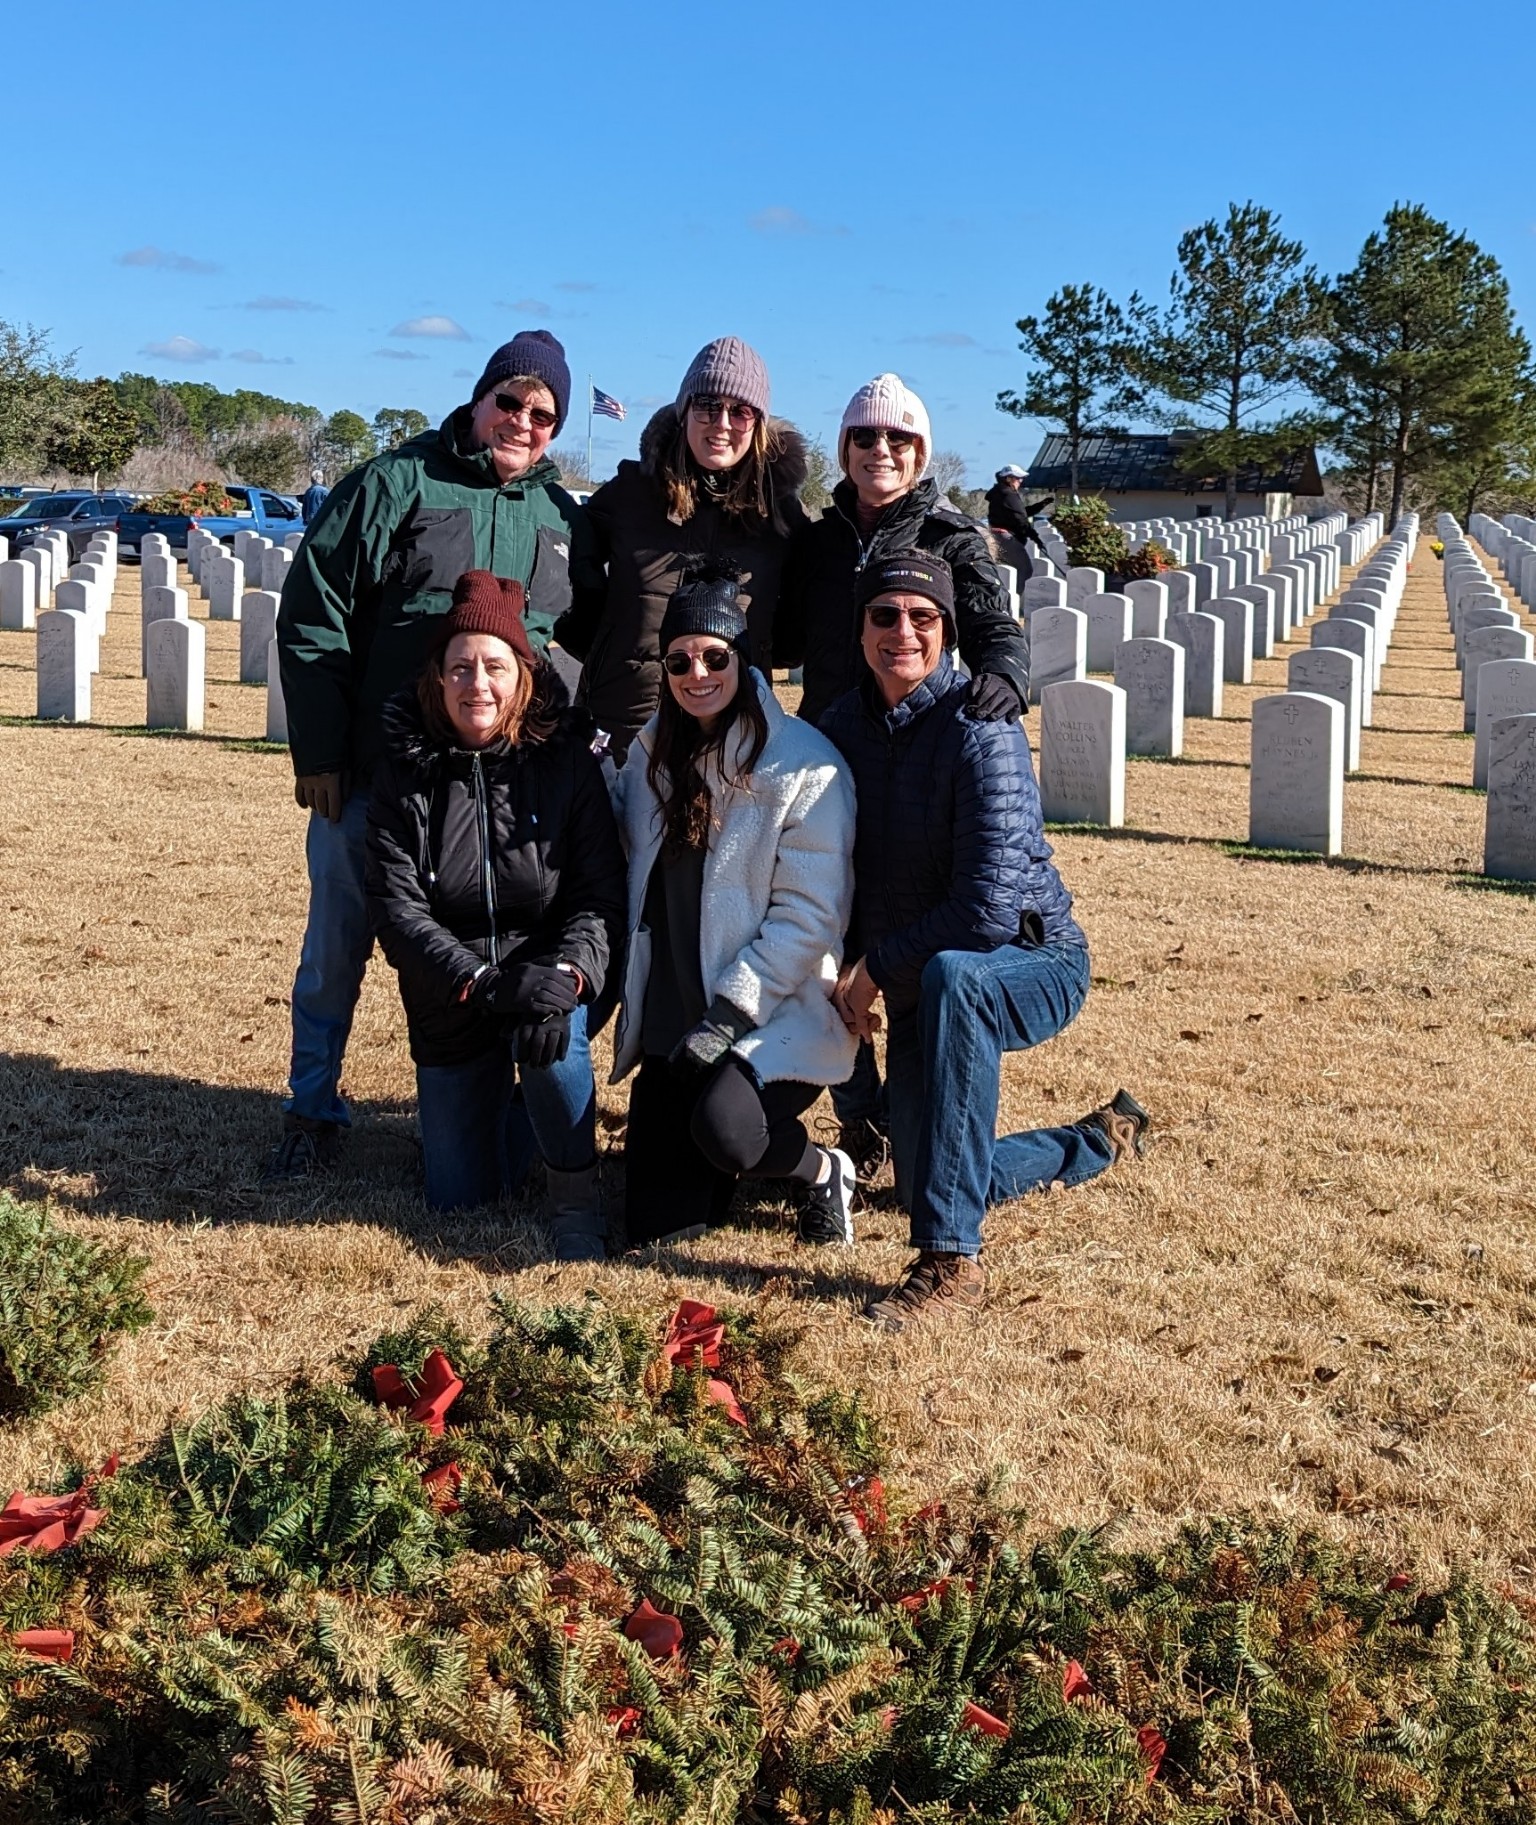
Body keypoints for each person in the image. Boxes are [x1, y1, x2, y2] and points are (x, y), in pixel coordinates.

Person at [267, 329, 599, 1181]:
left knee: (524, 932)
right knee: (337, 946)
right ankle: (313, 1108)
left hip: (509, 796)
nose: (523, 422)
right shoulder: (396, 481)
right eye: (510, 402)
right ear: (480, 397)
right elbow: (314, 611)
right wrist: (322, 750)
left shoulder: (563, 518)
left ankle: (520, 1099)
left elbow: (594, 634)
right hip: (385, 778)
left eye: (544, 416)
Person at [818, 551, 1148, 1333]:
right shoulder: (839, 729)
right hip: (920, 975)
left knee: (958, 975)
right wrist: (848, 974)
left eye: (923, 617)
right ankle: (1092, 1141)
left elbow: (987, 912)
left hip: (1030, 958)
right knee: (927, 1175)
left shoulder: (980, 727)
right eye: (885, 615)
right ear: (860, 630)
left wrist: (873, 967)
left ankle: (950, 1262)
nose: (903, 631)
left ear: (948, 631)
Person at [776, 373, 1031, 1182]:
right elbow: (772, 627)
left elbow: (991, 622)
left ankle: (916, 1109)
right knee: (824, 935)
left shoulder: (950, 535)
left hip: (915, 759)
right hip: (828, 754)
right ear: (845, 448)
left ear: (921, 453)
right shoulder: (817, 539)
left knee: (894, 937)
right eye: (864, 437)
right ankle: (861, 1113)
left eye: (898, 438)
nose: (879, 450)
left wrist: (1006, 675)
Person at [365, 572, 625, 1255]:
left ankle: (577, 1199)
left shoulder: (565, 762)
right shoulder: (404, 772)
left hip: (546, 979)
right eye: (460, 667)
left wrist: (566, 975)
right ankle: (516, 1108)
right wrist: (481, 981)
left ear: (523, 678)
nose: (477, 684)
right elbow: (398, 913)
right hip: (454, 1000)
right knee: (461, 1197)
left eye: (495, 666)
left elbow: (598, 895)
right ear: (437, 678)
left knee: (549, 1043)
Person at [610, 563, 859, 1248]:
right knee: (657, 1233)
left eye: (715, 657)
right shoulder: (651, 756)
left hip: (769, 1012)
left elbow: (809, 918)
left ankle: (821, 1170)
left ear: (742, 662)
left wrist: (728, 1016)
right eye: (679, 660)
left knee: (727, 1131)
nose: (697, 673)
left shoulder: (804, 765)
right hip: (674, 1022)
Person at [554, 337, 808, 765]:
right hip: (625, 734)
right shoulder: (630, 493)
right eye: (707, 405)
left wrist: (762, 650)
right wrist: (606, 648)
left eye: (740, 411)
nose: (722, 423)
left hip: (734, 740)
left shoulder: (779, 515)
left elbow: (797, 625)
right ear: (685, 409)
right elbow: (565, 573)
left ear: (758, 424)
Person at [983, 465, 1051, 581]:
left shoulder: (999, 493)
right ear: (1008, 479)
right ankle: (1017, 593)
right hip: (1006, 537)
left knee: (1005, 573)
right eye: (1018, 478)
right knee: (1024, 570)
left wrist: (1041, 505)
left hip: (995, 535)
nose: (1021, 481)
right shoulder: (1008, 495)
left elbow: (1019, 513)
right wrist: (1036, 539)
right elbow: (1020, 519)